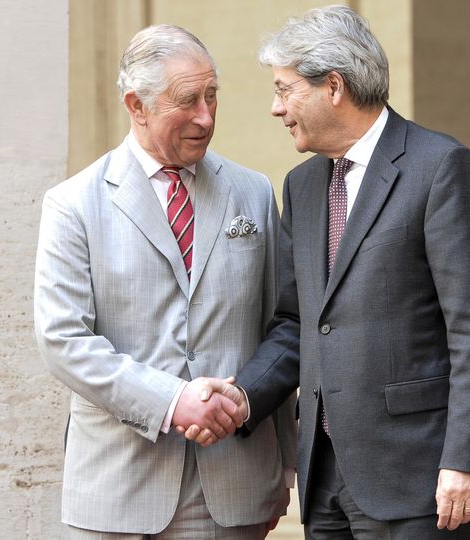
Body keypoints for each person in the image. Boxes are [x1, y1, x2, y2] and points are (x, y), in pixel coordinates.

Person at [184, 5, 470, 538]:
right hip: (326, 481)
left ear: (332, 86)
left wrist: (467, 459)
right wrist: (245, 395)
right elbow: (298, 323)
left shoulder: (442, 168)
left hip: (420, 478)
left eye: (284, 89)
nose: (275, 108)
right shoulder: (303, 185)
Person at [34, 24, 296, 539]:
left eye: (212, 96)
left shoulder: (254, 193)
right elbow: (62, 339)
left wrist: (282, 468)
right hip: (117, 489)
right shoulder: (73, 205)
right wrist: (173, 400)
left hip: (235, 486)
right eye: (187, 100)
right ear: (137, 105)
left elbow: (281, 327)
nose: (205, 116)